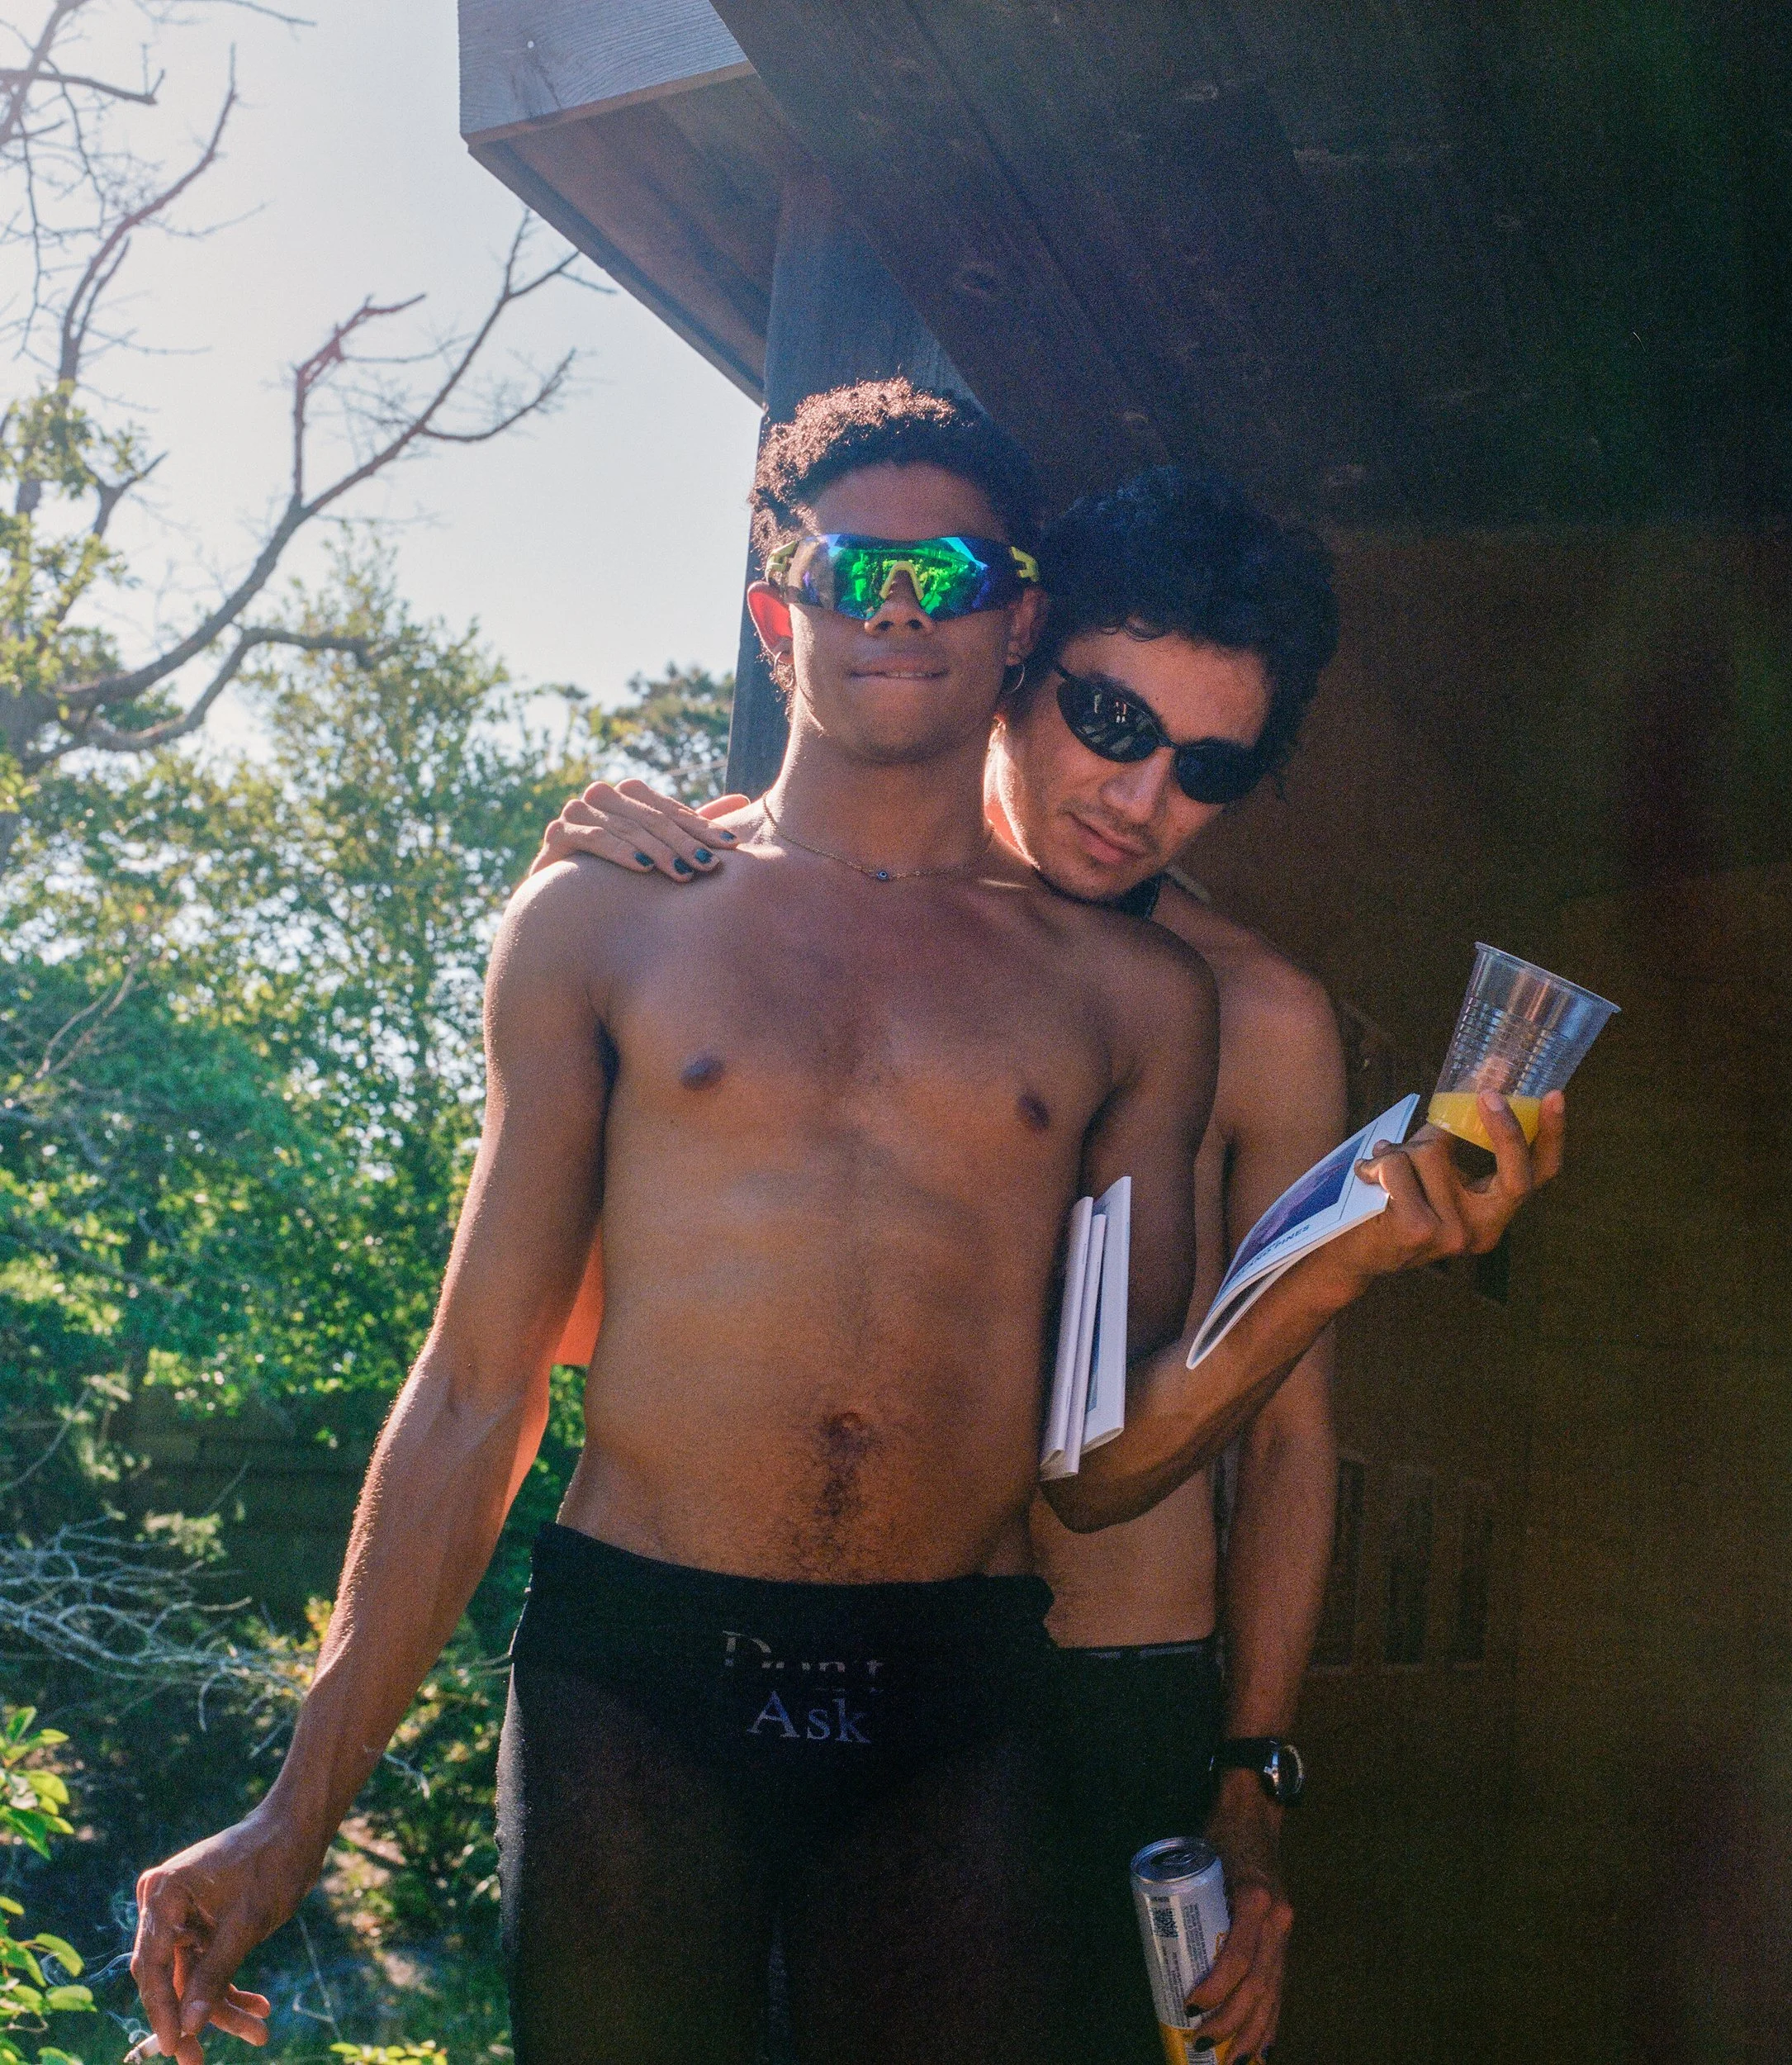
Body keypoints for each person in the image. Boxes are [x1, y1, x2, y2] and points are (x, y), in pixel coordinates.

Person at [130, 382, 1222, 2065]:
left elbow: (1109, 1446)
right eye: (862, 569)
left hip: (959, 1684)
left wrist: (1345, 1262)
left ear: (1018, 617)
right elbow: (477, 1382)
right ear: (775, 605)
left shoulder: (1133, 994)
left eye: (954, 574)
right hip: (632, 1678)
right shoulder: (599, 924)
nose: (904, 614)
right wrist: (293, 1807)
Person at [535, 466, 1567, 2063]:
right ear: (1016, 659)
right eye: (1110, 717)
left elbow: (1292, 1443)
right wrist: (598, 853)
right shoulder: (727, 899)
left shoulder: (1255, 1012)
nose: (1140, 797)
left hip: (1113, 1696)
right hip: (809, 1662)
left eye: (1209, 766)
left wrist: (1254, 1775)